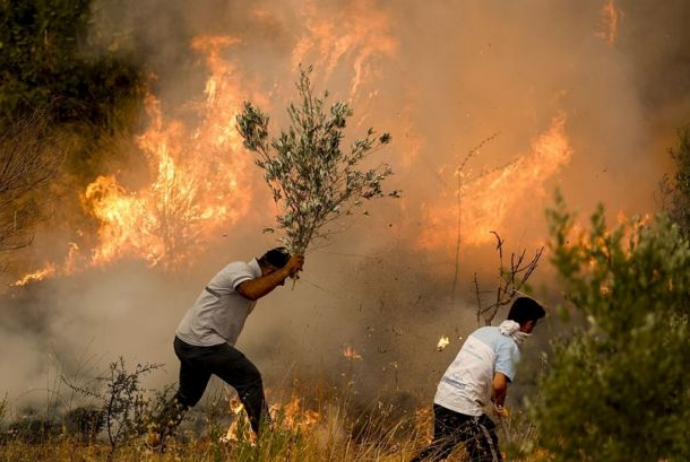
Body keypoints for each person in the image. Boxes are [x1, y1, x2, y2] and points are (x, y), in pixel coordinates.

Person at [149, 247, 304, 447]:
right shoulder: (239, 270)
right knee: (250, 378)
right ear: (270, 271)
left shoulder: (249, 275)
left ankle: (154, 439)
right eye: (280, 278)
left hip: (189, 341)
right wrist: (285, 271)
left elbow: (257, 288)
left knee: (188, 395)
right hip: (202, 343)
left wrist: (287, 269)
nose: (281, 283)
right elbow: (250, 290)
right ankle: (268, 441)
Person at [411, 297, 546, 462]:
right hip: (464, 408)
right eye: (534, 325)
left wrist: (497, 401)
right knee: (488, 455)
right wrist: (498, 404)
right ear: (528, 324)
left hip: (444, 398)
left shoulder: (483, 332)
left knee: (440, 450)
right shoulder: (510, 346)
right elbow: (498, 384)